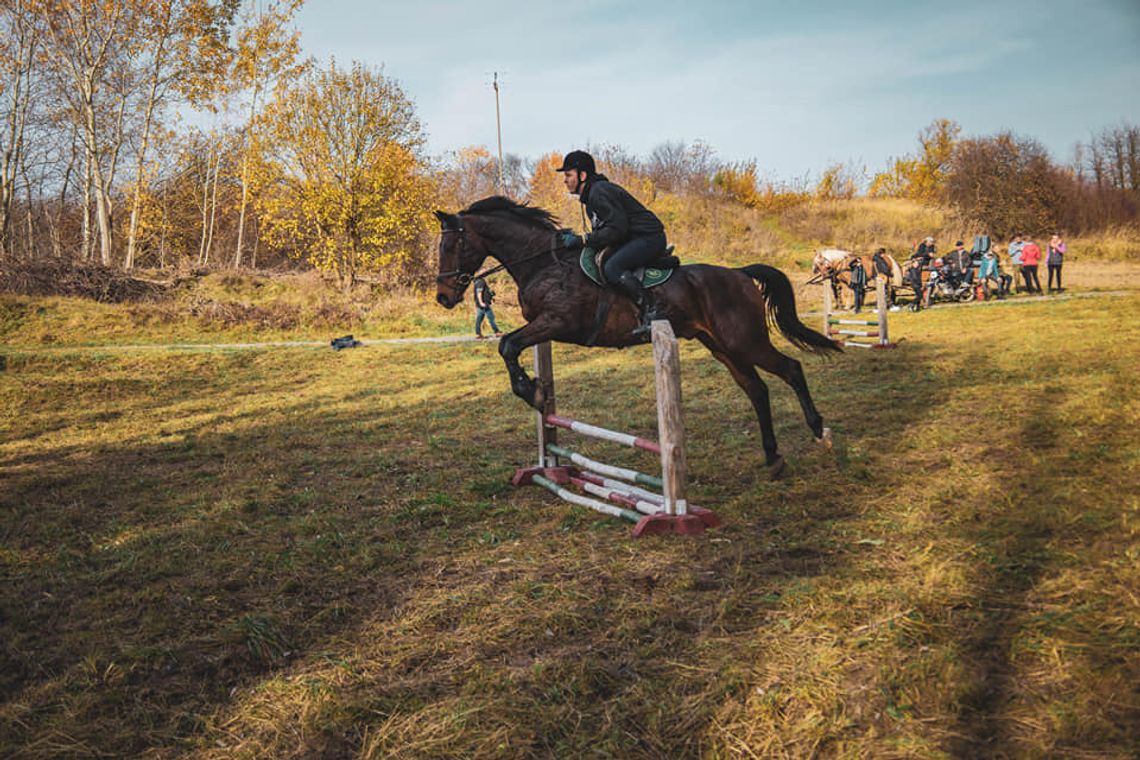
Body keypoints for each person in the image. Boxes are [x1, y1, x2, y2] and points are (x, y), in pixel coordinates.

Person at [556, 150, 668, 337]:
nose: (565, 180)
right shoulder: (592, 195)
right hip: (634, 239)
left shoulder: (599, 192)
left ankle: (651, 311)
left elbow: (617, 229)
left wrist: (583, 240)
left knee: (612, 268)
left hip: (649, 237)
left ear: (582, 175)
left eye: (568, 175)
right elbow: (605, 233)